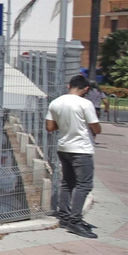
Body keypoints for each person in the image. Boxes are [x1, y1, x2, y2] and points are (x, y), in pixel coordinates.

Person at [47, 74, 102, 238]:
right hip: (81, 149)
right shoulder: (86, 103)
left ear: (68, 86)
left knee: (67, 182)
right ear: (86, 89)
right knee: (84, 185)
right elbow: (96, 128)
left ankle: (64, 216)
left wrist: (66, 124)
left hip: (64, 147)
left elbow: (50, 127)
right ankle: (75, 221)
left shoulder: (55, 102)